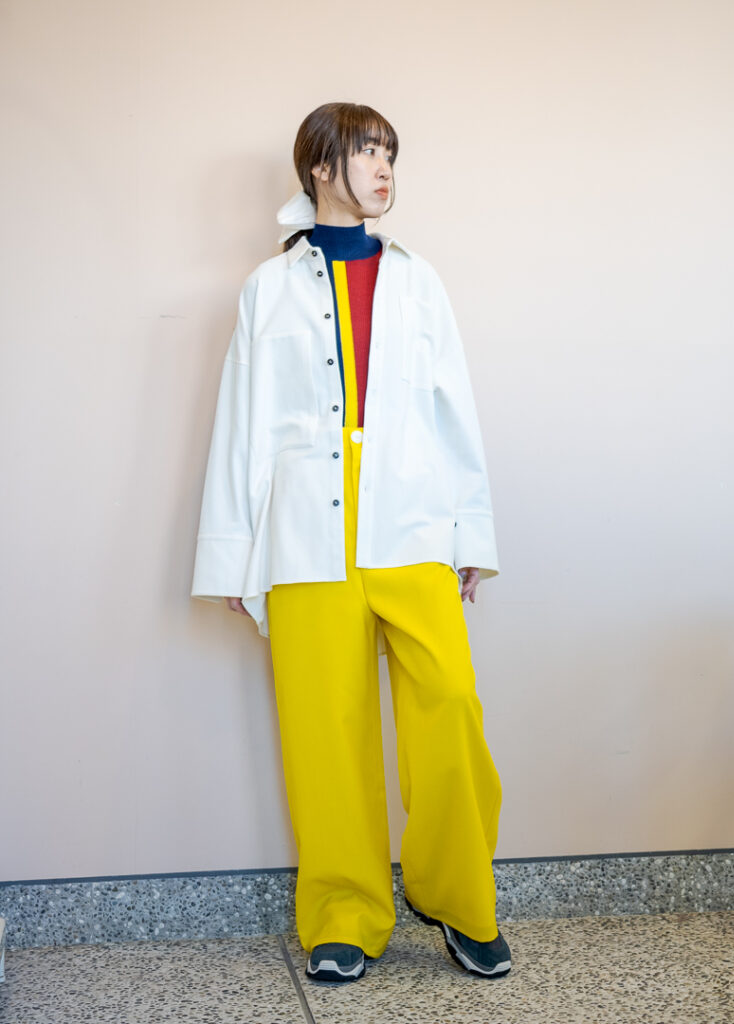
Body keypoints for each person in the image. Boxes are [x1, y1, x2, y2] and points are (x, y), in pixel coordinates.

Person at [192, 102, 510, 982]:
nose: (383, 168)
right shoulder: (268, 288)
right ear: (321, 168)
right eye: (367, 152)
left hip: (411, 521)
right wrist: (232, 551)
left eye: (389, 153)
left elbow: (453, 409)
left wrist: (470, 533)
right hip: (304, 532)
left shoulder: (417, 280)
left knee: (449, 706)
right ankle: (343, 914)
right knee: (324, 731)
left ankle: (458, 899)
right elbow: (243, 422)